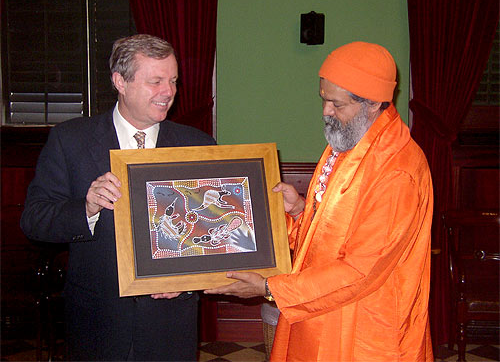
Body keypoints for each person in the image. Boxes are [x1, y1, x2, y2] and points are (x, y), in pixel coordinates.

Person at [205, 41, 434, 361]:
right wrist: (299, 211)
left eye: (337, 104)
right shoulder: (351, 142)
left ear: (371, 104)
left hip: (363, 328)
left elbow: (360, 271)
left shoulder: (398, 170)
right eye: (324, 99)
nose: (326, 111)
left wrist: (270, 289)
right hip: (322, 314)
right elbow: (333, 236)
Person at [21, 34, 216, 361]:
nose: (168, 92)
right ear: (119, 82)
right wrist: (87, 207)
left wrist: (189, 279)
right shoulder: (70, 140)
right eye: (155, 81)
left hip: (170, 324)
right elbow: (34, 220)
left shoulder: (197, 145)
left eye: (172, 80)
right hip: (98, 320)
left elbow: (214, 235)